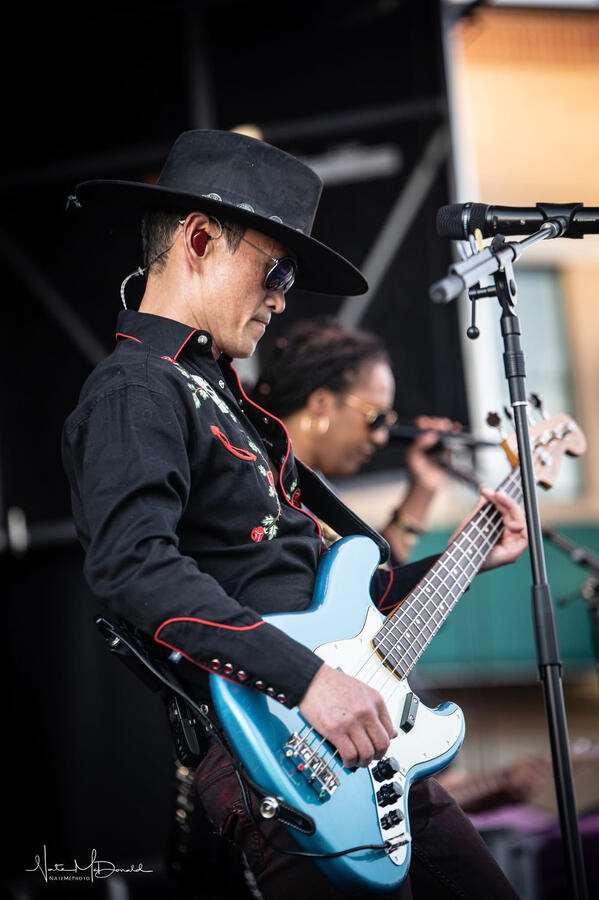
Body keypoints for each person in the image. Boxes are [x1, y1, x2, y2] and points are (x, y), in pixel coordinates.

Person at [61, 129, 527, 899]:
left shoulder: (221, 397)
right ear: (200, 240)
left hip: (359, 744)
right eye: (274, 268)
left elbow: (329, 601)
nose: (282, 297)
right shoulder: (136, 389)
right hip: (282, 754)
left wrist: (468, 558)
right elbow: (130, 565)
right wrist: (309, 681)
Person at [252, 317, 462, 566]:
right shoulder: (258, 480)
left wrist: (422, 489)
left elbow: (370, 586)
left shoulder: (316, 492)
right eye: (375, 418)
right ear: (321, 403)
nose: (381, 437)